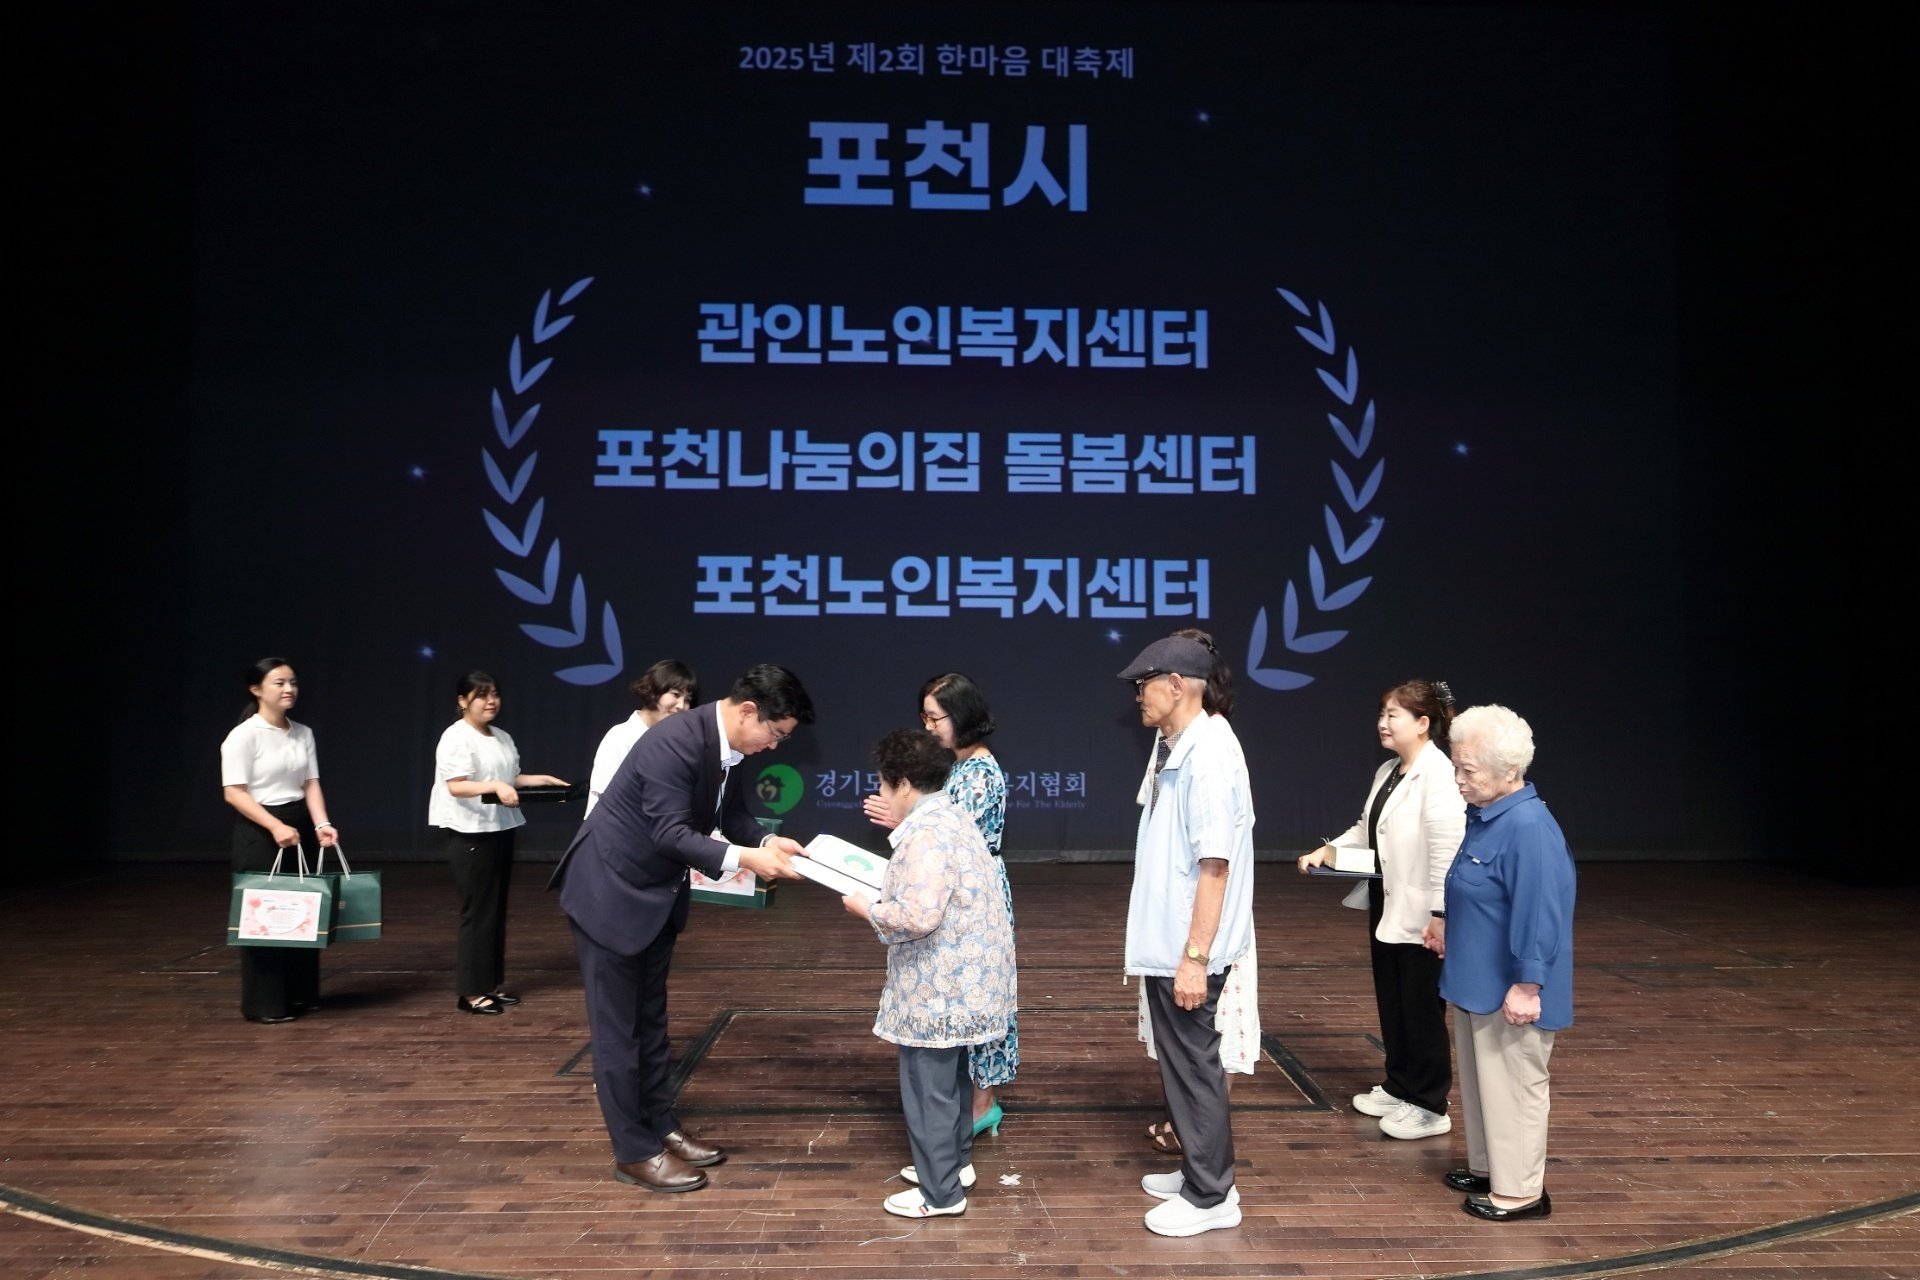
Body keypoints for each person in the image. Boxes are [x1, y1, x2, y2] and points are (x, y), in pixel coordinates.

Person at [551, 663, 811, 1193]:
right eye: (775, 734)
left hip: (654, 896)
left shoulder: (726, 747)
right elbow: (670, 833)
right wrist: (746, 859)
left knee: (651, 1022)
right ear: (748, 711)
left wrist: (765, 841)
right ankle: (634, 1151)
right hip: (610, 891)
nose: (773, 746)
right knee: (618, 1031)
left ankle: (661, 1125)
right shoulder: (676, 742)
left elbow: (731, 815)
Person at [842, 728, 1016, 1220]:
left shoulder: (927, 833)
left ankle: (941, 1194)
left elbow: (917, 915)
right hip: (967, 981)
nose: (881, 792)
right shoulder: (952, 816)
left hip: (940, 987)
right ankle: (954, 1166)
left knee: (927, 1090)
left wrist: (868, 908)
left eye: (883, 783)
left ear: (902, 784)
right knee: (952, 1082)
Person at [1118, 634, 1255, 1237]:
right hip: (1170, 941)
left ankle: (1211, 1196)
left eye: (1143, 683)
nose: (1137, 695)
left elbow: (1214, 865)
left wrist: (1195, 958)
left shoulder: (1210, 756)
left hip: (1188, 947)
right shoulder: (1181, 746)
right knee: (1182, 1065)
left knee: (1196, 1066)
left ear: (1176, 685)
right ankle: (1201, 1169)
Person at [1422, 704, 1575, 1222]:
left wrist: (1528, 986)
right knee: (1484, 1082)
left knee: (1514, 1087)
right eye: (1456, 766)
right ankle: (1492, 1169)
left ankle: (1522, 1191)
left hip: (1509, 987)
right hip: (1475, 981)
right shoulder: (1489, 815)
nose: (1458, 780)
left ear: (1509, 771)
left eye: (1468, 770)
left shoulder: (1528, 827)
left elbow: (1541, 914)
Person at [1298, 679, 1465, 1141]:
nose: (1383, 723)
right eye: (1382, 714)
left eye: (1394, 715)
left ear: (1423, 723)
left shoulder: (1439, 776)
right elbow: (1364, 828)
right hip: (1387, 904)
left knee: (1422, 1008)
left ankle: (1429, 1104)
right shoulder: (1389, 771)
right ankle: (1400, 1085)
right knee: (1394, 1002)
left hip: (1424, 915)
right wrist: (1327, 851)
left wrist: (1440, 915)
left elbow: (1446, 852)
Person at [862, 672, 1017, 1138]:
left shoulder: (980, 773)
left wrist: (902, 819)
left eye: (936, 718)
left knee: (973, 994)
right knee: (956, 997)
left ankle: (980, 1105)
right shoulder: (956, 766)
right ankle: (963, 1106)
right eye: (924, 717)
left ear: (962, 715)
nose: (928, 727)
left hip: (969, 896)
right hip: (951, 892)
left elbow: (948, 841)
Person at [428, 670, 569, 1016]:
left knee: (495, 909)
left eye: (494, 694)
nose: (490, 701)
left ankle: (489, 984)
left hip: (500, 827)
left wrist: (540, 780)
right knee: (477, 911)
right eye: (481, 695)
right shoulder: (456, 736)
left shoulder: (502, 736)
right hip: (469, 830)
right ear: (463, 701)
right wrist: (495, 786)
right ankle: (470, 992)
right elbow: (457, 785)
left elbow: (510, 778)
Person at [220, 657, 339, 1024]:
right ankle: (265, 1003)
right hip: (260, 828)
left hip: (298, 825)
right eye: (279, 683)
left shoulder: (303, 732)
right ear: (256, 689)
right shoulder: (244, 735)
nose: (289, 689)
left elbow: (310, 783)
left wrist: (322, 823)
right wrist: (274, 826)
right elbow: (234, 792)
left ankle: (301, 995)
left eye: (293, 682)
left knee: (304, 911)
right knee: (265, 916)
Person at [585, 659, 699, 816]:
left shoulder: (677, 745)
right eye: (675, 695)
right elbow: (608, 800)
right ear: (652, 691)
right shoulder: (620, 737)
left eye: (687, 700)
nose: (681, 705)